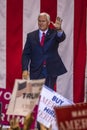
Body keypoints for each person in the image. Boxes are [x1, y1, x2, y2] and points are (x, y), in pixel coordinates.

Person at [22, 12, 67, 130]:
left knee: (47, 99)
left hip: (50, 71)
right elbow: (26, 54)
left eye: (43, 21)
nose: (41, 23)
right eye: (39, 21)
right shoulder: (31, 36)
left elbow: (61, 37)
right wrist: (24, 70)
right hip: (36, 71)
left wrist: (59, 29)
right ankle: (33, 124)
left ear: (48, 22)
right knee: (34, 99)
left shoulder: (54, 34)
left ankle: (44, 126)